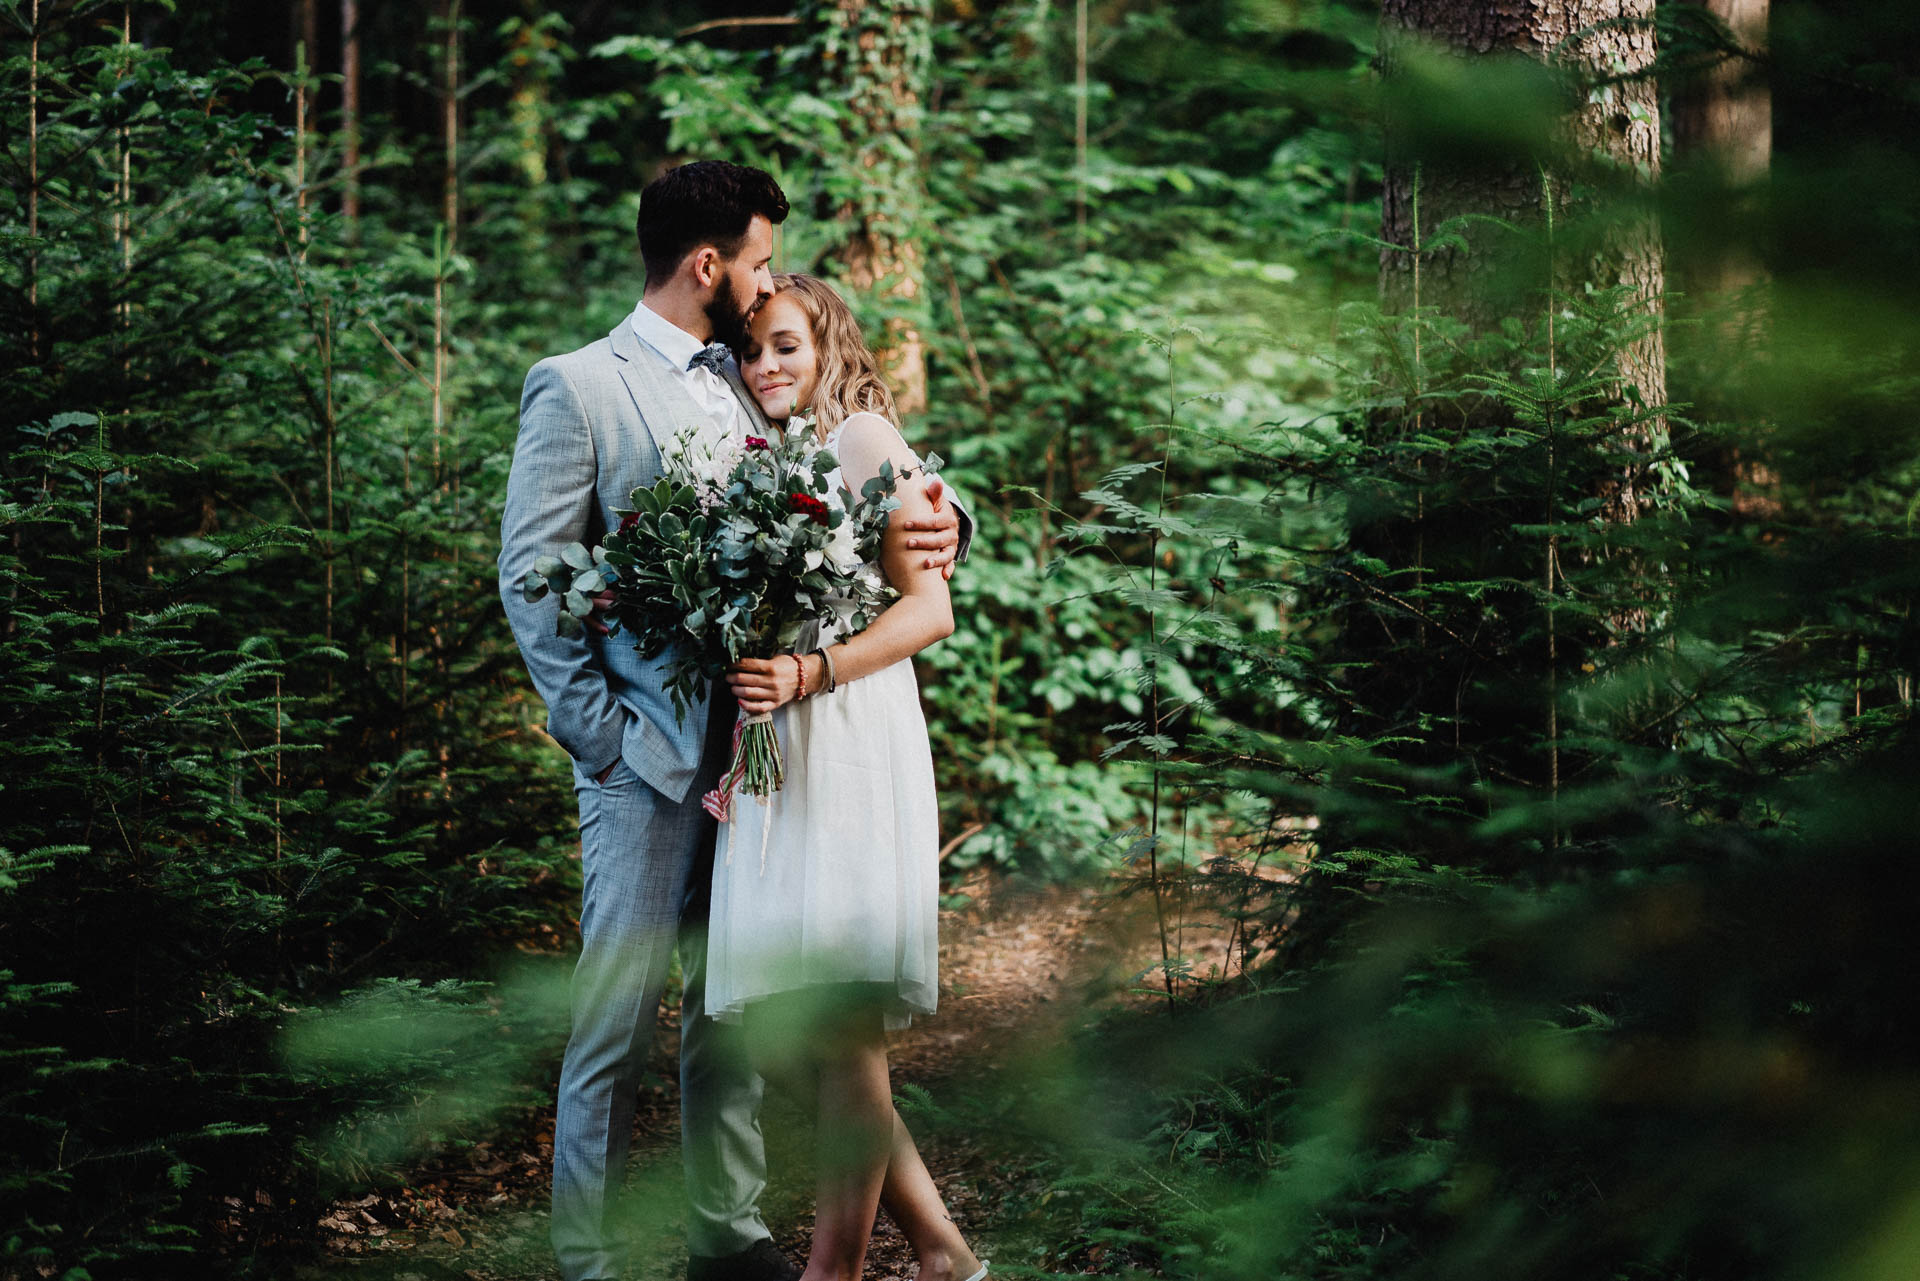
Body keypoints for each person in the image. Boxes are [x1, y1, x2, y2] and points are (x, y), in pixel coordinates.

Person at [497, 163, 963, 1281]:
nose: (764, 291)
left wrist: (946, 523)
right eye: (756, 260)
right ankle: (591, 1257)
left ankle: (729, 1231)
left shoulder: (744, 378)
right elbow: (532, 576)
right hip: (647, 763)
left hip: (765, 760)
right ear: (707, 262)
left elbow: (860, 477)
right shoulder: (580, 386)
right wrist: (602, 738)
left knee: (728, 1013)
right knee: (614, 1021)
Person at [707, 274, 988, 1281]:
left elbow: (931, 611)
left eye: (786, 344)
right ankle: (942, 1250)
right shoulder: (771, 457)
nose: (766, 365)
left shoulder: (863, 436)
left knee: (842, 1025)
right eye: (752, 351)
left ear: (827, 345)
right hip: (783, 742)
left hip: (849, 734)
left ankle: (836, 1273)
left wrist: (810, 669)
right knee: (809, 1037)